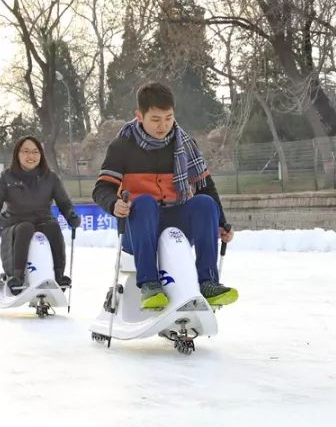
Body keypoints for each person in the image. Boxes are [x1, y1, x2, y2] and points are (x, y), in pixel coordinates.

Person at [92, 82, 236, 310]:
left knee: (205, 203)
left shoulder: (184, 144)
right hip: (137, 227)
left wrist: (222, 224)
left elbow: (205, 186)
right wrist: (114, 204)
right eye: (156, 119)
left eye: (168, 118)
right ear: (139, 116)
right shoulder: (122, 146)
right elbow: (101, 189)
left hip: (174, 222)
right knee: (146, 202)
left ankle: (208, 281)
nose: (163, 126)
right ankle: (150, 284)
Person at [0, 136, 79, 294]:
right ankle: (17, 277)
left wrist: (71, 215)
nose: (31, 156)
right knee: (25, 228)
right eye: (26, 151)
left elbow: (64, 203)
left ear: (41, 155)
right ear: (17, 154)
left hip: (43, 221)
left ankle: (59, 276)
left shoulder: (50, 177)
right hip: (15, 224)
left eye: (36, 152)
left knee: (53, 227)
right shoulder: (7, 177)